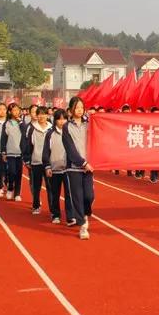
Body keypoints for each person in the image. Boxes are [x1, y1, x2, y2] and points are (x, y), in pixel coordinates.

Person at [63, 96, 94, 240]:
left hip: (89, 167)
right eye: (77, 107)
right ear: (70, 110)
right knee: (77, 197)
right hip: (74, 167)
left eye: (82, 107)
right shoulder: (66, 127)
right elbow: (70, 149)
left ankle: (86, 213)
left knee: (89, 196)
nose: (80, 110)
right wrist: (82, 162)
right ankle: (82, 225)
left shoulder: (90, 124)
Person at [42, 109, 73, 225]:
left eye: (64, 118)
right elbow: (45, 151)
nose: (62, 121)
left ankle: (70, 216)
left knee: (69, 193)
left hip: (68, 169)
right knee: (55, 193)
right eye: (59, 119)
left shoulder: (70, 132)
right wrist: (47, 166)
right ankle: (55, 214)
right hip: (54, 169)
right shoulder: (50, 134)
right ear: (55, 120)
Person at [25, 106, 52, 215]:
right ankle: (36, 205)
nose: (41, 116)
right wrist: (27, 159)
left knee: (50, 187)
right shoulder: (31, 128)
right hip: (36, 161)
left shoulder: (51, 128)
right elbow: (28, 145)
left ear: (47, 115)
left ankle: (52, 210)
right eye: (39, 114)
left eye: (43, 114)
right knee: (36, 186)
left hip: (49, 163)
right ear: (36, 115)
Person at [1, 103, 25, 201]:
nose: (16, 112)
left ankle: (17, 193)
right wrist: (3, 152)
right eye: (13, 110)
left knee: (19, 173)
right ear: (10, 112)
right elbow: (3, 138)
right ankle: (10, 188)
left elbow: (25, 134)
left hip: (20, 153)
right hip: (10, 152)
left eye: (17, 110)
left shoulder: (22, 123)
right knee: (11, 172)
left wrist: (20, 123)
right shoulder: (6, 124)